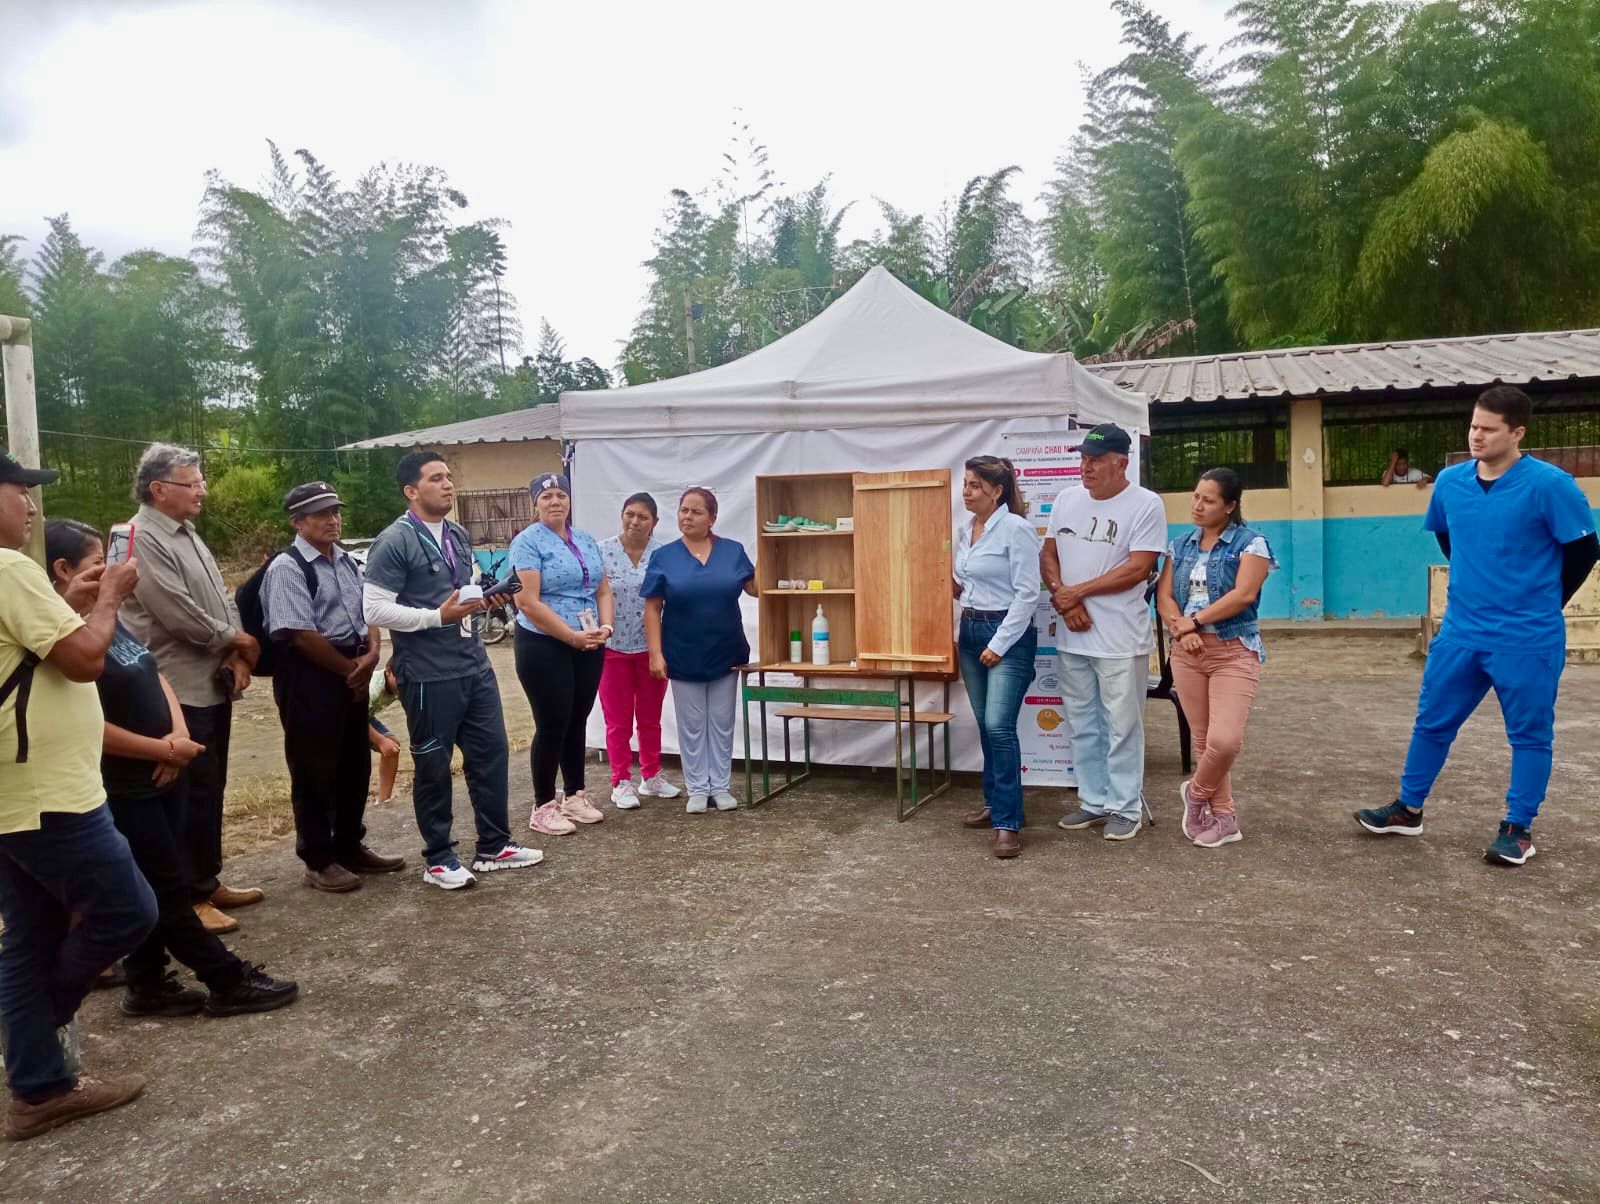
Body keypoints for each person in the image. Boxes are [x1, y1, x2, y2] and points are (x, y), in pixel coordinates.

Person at [45, 520, 299, 1020]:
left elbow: (151, 669)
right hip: (126, 783)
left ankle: (147, 984)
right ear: (63, 570)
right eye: (97, 564)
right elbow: (83, 723)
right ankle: (226, 980)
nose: (112, 572)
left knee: (155, 880)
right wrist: (159, 750)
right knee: (166, 889)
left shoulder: (104, 617)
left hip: (162, 769)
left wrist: (178, 736)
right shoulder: (60, 635)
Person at [1356, 387, 1599, 866]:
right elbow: (1449, 539)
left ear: (1517, 433)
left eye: (1488, 429)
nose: (1476, 436)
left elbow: (1584, 550)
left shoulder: (1550, 485)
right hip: (1462, 631)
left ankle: (1517, 829)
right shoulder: (1450, 482)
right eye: (1473, 425)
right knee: (1432, 721)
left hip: (1527, 636)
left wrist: (1545, 601)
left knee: (1529, 734)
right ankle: (1408, 809)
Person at [0, 449, 156, 1141]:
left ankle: (39, 1088)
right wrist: (113, 597)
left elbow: (29, 651)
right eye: (20, 492)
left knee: (30, 933)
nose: (31, 507)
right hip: (47, 792)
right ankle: (34, 1028)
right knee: (127, 911)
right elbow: (86, 660)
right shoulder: (8, 569)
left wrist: (72, 606)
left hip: (17, 791)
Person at [361, 450, 542, 890]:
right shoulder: (395, 541)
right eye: (436, 478)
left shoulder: (457, 534)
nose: (447, 484)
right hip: (427, 673)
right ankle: (439, 858)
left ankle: (494, 845)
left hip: (472, 663)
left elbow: (461, 590)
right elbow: (374, 608)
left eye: (448, 476)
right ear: (411, 491)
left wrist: (484, 595)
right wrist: (434, 617)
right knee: (434, 765)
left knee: (491, 754)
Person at [120, 443, 262, 935]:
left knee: (209, 787)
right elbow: (176, 612)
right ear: (159, 489)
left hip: (210, 679)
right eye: (193, 483)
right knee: (184, 794)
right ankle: (187, 898)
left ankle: (205, 879)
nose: (203, 490)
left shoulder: (187, 533)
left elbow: (222, 599)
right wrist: (236, 640)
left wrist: (236, 652)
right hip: (173, 687)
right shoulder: (140, 537)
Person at [262, 482, 404, 892]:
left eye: (335, 511)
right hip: (311, 674)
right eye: (321, 514)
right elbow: (300, 634)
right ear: (297, 522)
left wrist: (372, 653)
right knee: (314, 767)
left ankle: (349, 845)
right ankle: (318, 858)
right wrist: (350, 671)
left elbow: (367, 611)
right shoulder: (288, 567)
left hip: (353, 666)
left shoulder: (346, 562)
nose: (332, 520)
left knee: (353, 763)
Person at [1039, 423, 1167, 842]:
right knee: (1082, 722)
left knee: (1122, 725)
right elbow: (1048, 553)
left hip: (1119, 638)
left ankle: (1125, 807)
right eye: (1083, 459)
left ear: (1121, 463)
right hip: (1072, 634)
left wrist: (1076, 593)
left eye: (1095, 460)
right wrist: (1064, 598)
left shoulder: (1145, 504)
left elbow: (1138, 568)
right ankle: (1093, 801)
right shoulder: (1066, 499)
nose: (1086, 467)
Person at [1155, 469, 1276, 849]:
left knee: (1224, 741)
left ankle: (1195, 793)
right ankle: (1224, 817)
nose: (1197, 505)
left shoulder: (1251, 544)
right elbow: (1164, 597)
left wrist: (1194, 621)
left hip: (1233, 649)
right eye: (1196, 496)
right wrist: (1183, 629)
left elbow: (1243, 595)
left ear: (1229, 506)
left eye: (1208, 500)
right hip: (1187, 652)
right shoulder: (1180, 546)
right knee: (1204, 740)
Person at [510, 473, 614, 836]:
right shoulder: (527, 542)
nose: (555, 501)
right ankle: (543, 805)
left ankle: (574, 794)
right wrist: (570, 636)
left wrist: (606, 627)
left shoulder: (584, 539)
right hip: (544, 642)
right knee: (552, 722)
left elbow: (602, 590)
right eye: (547, 496)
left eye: (561, 495)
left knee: (577, 718)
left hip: (588, 640)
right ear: (535, 503)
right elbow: (526, 601)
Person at [642, 487, 756, 814]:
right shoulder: (664, 557)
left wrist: (772, 548)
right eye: (684, 510)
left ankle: (719, 786)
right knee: (692, 724)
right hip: (683, 651)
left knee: (721, 722)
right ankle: (697, 788)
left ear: (712, 518)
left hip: (726, 650)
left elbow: (756, 588)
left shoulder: (732, 551)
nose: (687, 517)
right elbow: (652, 608)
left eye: (696, 511)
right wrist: (655, 653)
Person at [952, 457, 1040, 859]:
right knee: (987, 728)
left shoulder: (1016, 529)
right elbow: (968, 584)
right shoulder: (966, 529)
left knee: (999, 727)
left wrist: (999, 644)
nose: (966, 492)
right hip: (970, 629)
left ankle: (1008, 822)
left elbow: (1027, 594)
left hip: (1007, 633)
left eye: (975, 486)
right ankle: (994, 803)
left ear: (997, 491)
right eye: (966, 484)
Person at [597, 493, 679, 809]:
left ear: (654, 522)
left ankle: (651, 775)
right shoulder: (602, 552)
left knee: (650, 717)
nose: (634, 522)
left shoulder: (664, 555)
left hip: (651, 648)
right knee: (617, 720)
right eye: (629, 514)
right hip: (613, 649)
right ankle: (620, 781)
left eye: (642, 517)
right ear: (621, 515)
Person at [368, 664, 402, 807]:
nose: (403, 682)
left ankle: (383, 801)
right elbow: (354, 716)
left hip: (366, 716)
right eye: (399, 677)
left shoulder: (403, 685)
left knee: (393, 747)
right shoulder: (374, 688)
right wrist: (380, 741)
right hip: (347, 716)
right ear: (388, 671)